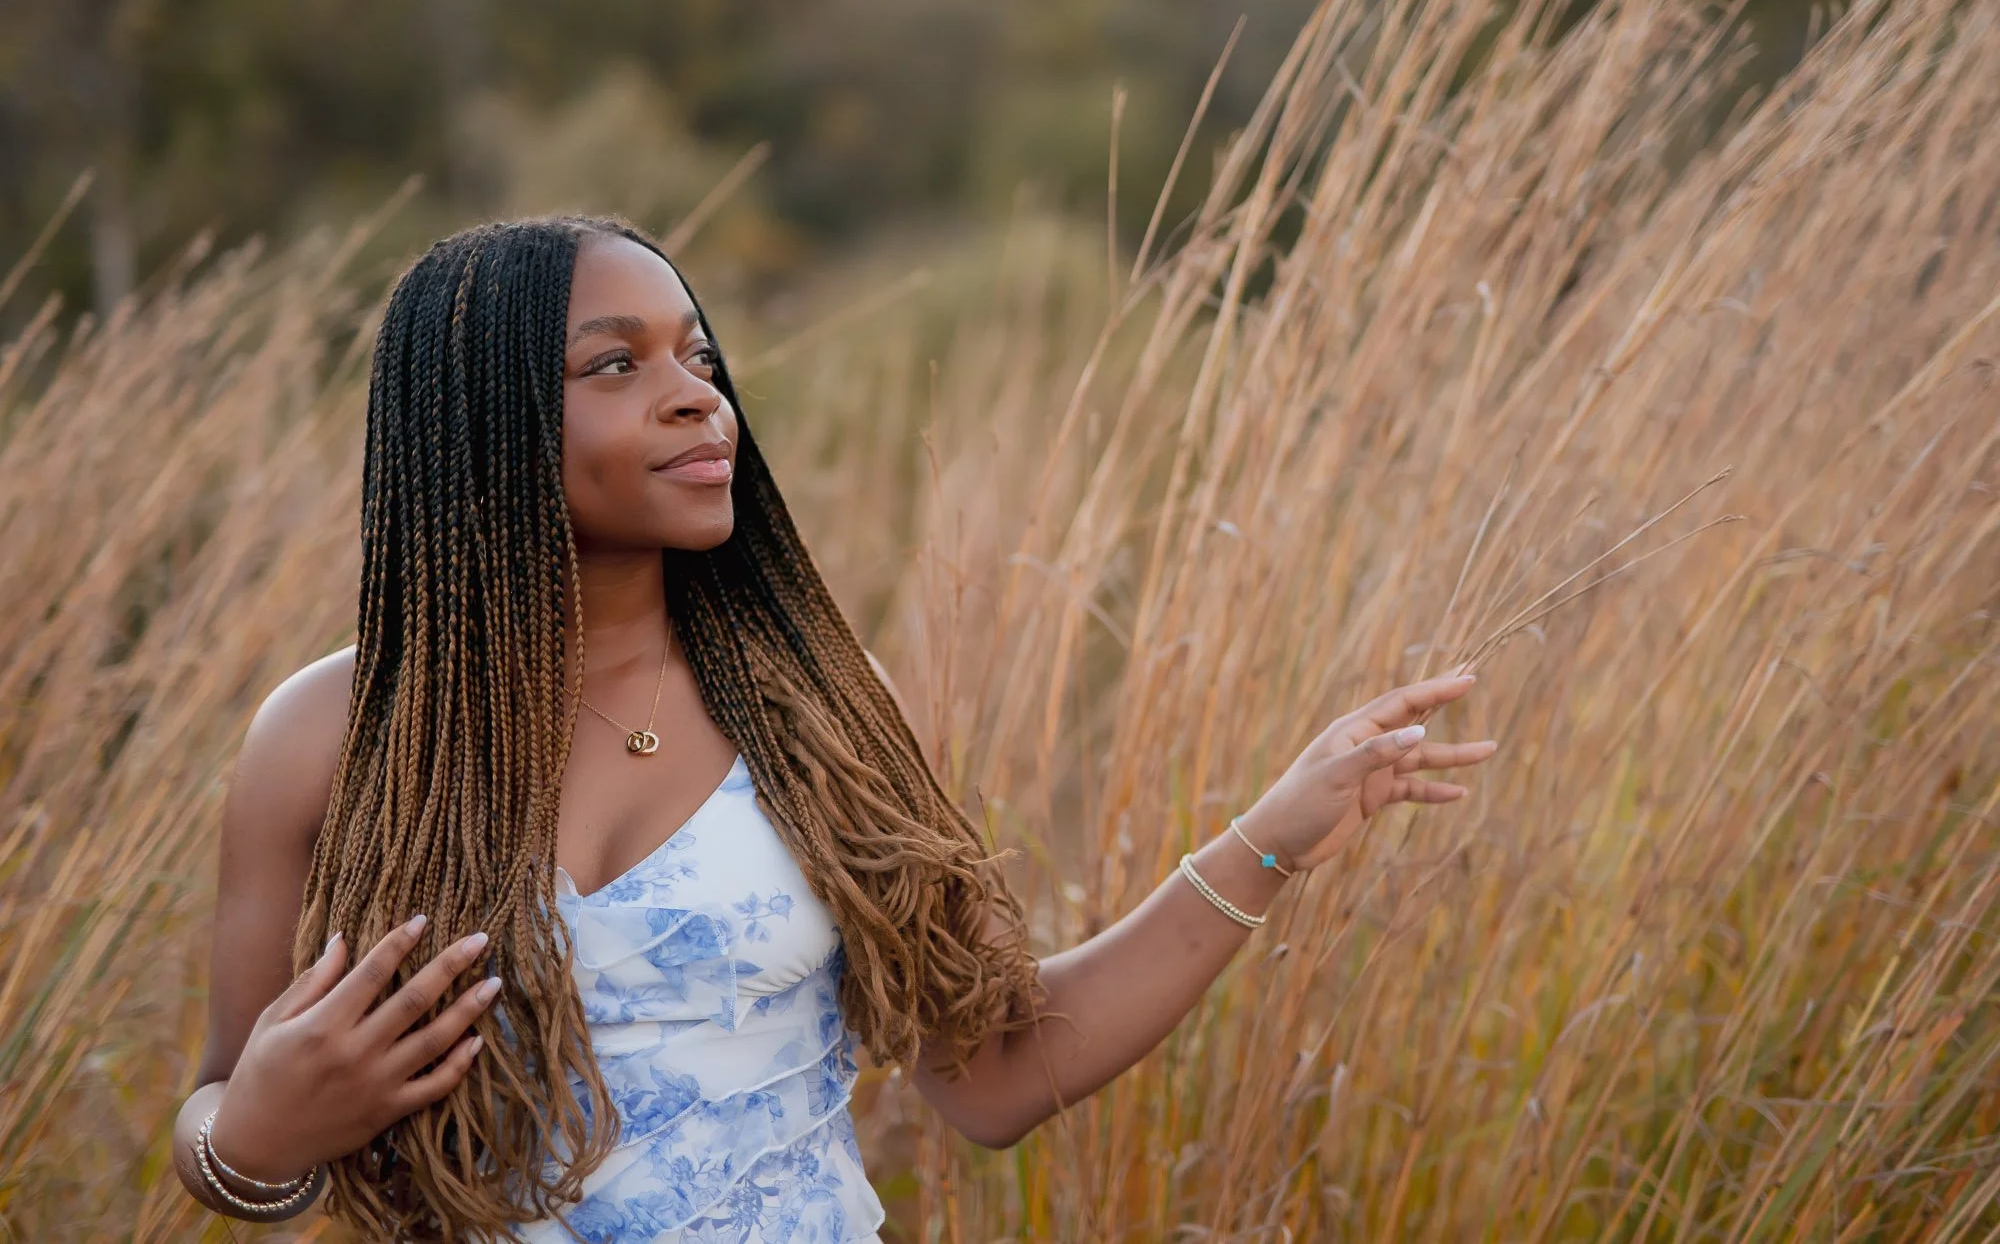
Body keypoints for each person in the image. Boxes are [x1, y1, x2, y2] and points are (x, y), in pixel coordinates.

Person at [168, 215, 1497, 1242]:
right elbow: (228, 1114)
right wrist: (260, 1137)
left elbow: (992, 1075)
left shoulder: (810, 705)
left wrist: (1275, 834)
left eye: (698, 355)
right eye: (617, 366)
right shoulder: (332, 738)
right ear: (479, 425)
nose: (699, 396)